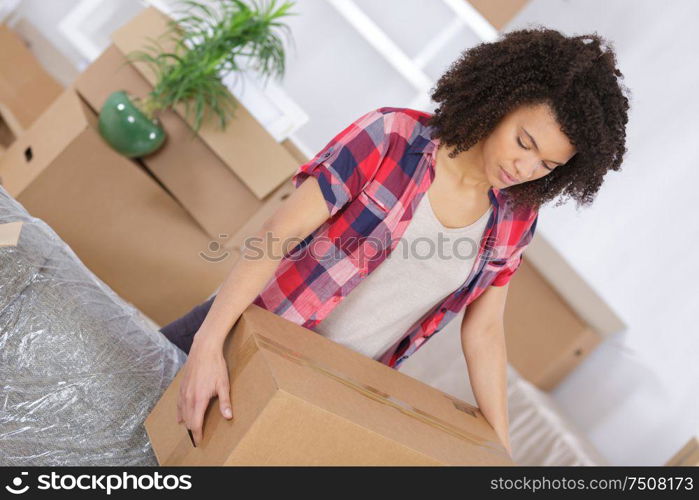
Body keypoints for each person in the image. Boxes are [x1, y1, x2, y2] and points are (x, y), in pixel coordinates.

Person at [160, 27, 630, 454]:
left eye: (547, 166)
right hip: (235, 337)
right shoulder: (391, 136)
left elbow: (484, 332)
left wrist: (501, 451)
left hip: (320, 385)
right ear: (500, 100)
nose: (525, 170)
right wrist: (207, 347)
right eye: (524, 142)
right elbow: (277, 236)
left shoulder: (516, 219)